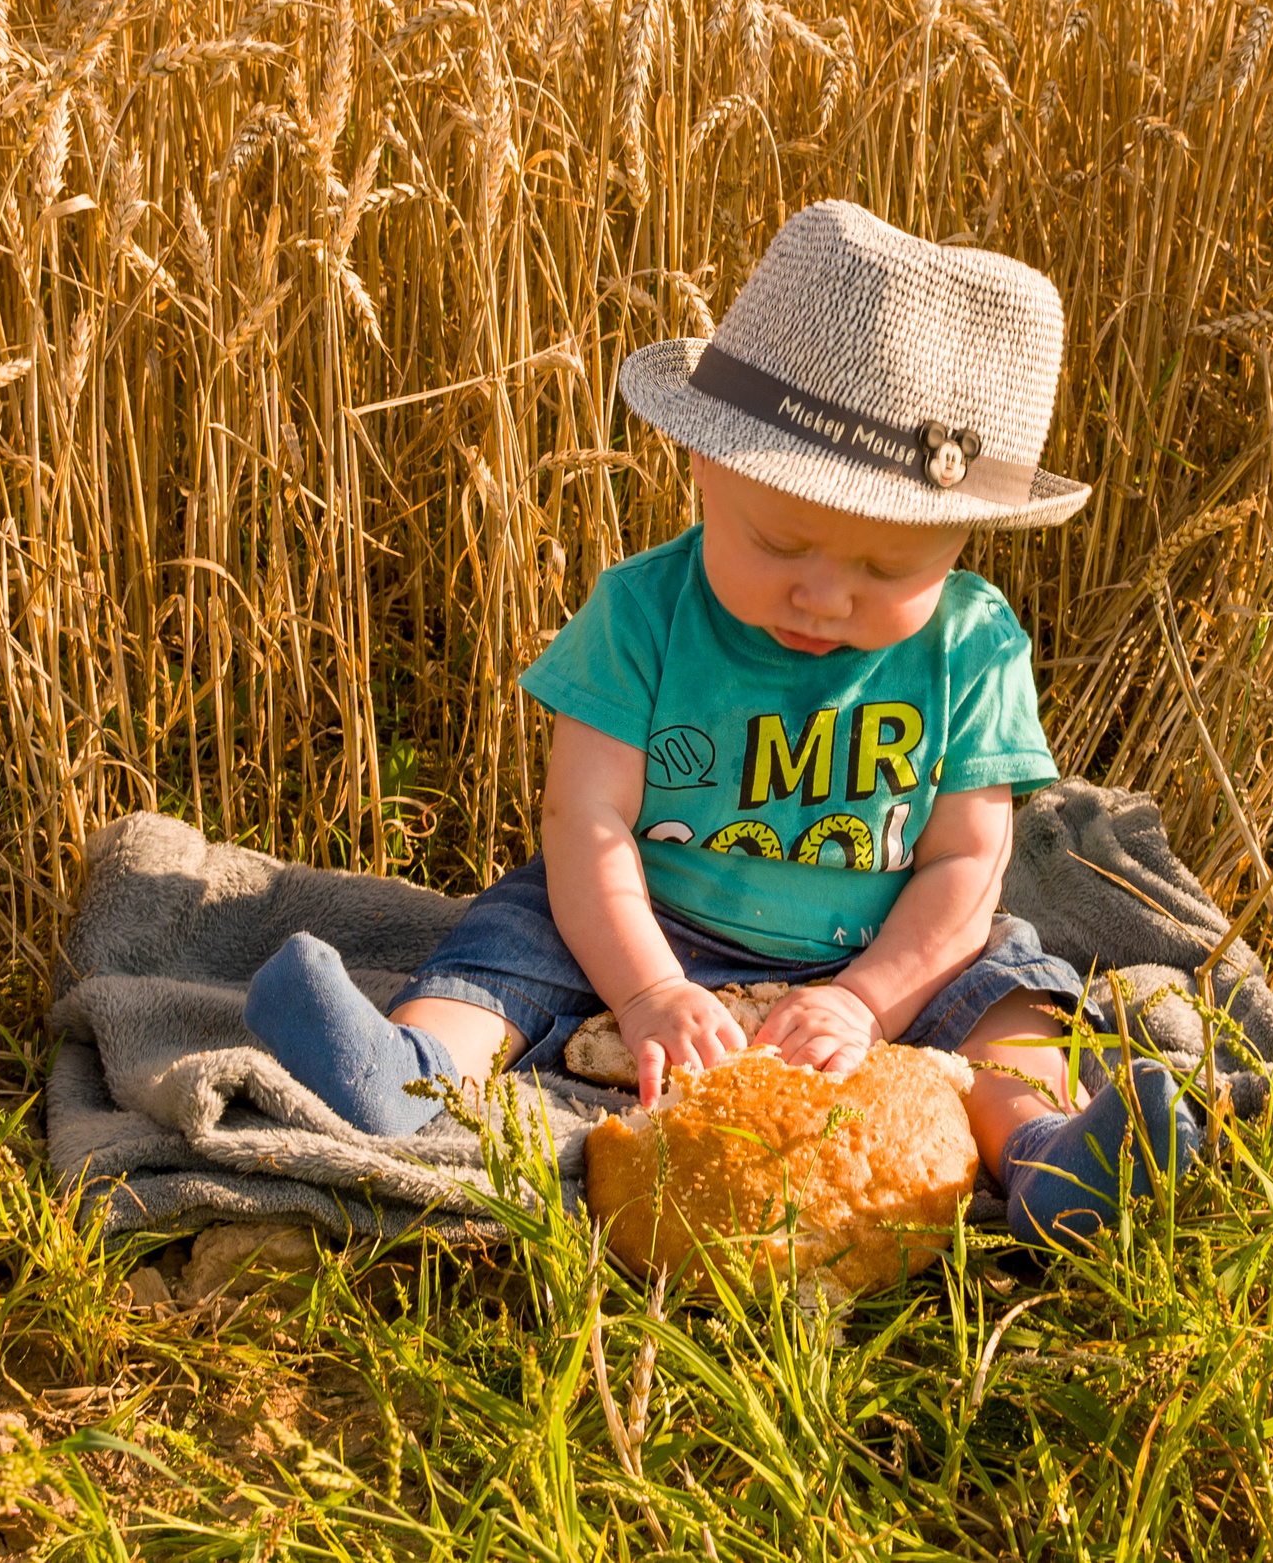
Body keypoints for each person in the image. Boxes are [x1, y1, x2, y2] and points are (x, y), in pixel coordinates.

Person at [245, 200, 1202, 1248]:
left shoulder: (969, 647)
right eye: (780, 543)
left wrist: (868, 1004)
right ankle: (408, 1072)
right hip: (649, 915)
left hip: (879, 940)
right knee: (503, 946)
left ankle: (1043, 1149)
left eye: (887, 569)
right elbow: (587, 824)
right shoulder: (644, 613)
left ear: (966, 541)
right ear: (702, 465)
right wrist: (649, 989)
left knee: (1011, 991)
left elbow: (964, 866)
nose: (824, 597)